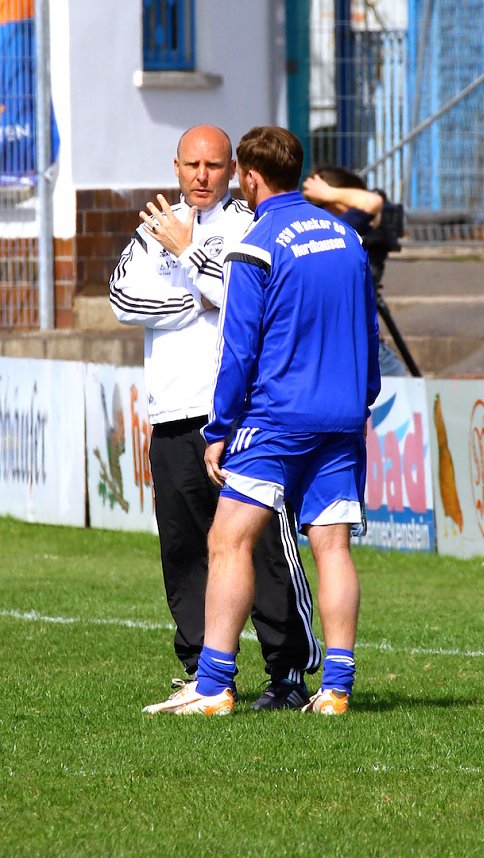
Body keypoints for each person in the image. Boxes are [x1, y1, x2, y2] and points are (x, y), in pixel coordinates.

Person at [109, 125, 321, 713]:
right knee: (184, 552)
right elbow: (123, 299)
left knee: (264, 548)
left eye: (214, 165)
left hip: (240, 417)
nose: (202, 176)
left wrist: (191, 260)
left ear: (232, 170)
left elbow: (246, 298)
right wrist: (192, 300)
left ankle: (287, 673)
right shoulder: (156, 224)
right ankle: (206, 677)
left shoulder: (248, 224)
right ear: (176, 166)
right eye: (192, 164)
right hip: (172, 414)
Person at [174, 125, 381, 717]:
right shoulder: (347, 237)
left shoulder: (255, 243)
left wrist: (219, 429)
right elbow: (368, 330)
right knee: (332, 547)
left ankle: (213, 685)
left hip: (277, 418)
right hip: (343, 416)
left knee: (228, 540)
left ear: (250, 177)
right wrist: (362, 398)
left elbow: (238, 350)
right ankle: (336, 689)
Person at [302, 167, 407, 377]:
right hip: (351, 343)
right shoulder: (336, 230)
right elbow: (371, 202)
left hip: (333, 342)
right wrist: (329, 193)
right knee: (398, 383)